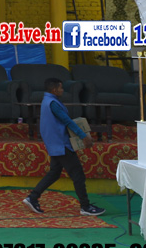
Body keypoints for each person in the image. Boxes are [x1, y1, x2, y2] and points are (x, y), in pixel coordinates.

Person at [23, 78, 105, 216]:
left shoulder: (46, 101)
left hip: (54, 144)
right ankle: (85, 207)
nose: (62, 90)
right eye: (61, 88)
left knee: (54, 173)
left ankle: (33, 197)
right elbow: (67, 121)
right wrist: (83, 136)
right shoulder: (53, 103)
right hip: (61, 144)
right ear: (54, 89)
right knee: (77, 175)